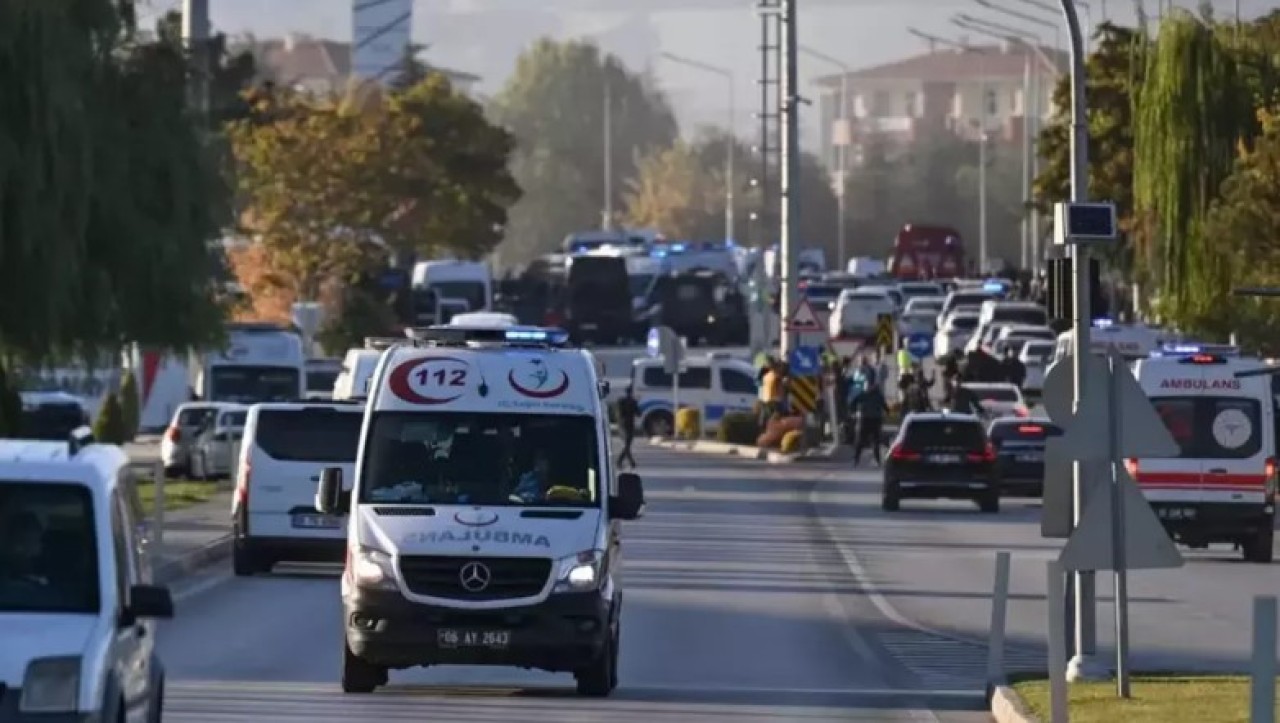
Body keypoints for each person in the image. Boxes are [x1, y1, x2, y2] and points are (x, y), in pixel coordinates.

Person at [850, 382, 889, 466]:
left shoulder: (865, 395)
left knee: (864, 441)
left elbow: (853, 403)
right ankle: (859, 459)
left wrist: (853, 412)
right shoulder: (876, 396)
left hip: (868, 420)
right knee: (872, 441)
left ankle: (857, 459)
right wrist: (887, 413)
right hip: (872, 420)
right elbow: (885, 406)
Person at [616, 386, 639, 469]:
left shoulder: (621, 401)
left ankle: (630, 462)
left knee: (627, 444)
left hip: (622, 424)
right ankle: (622, 461)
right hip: (630, 425)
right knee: (627, 444)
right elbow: (638, 413)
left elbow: (619, 413)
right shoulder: (633, 402)